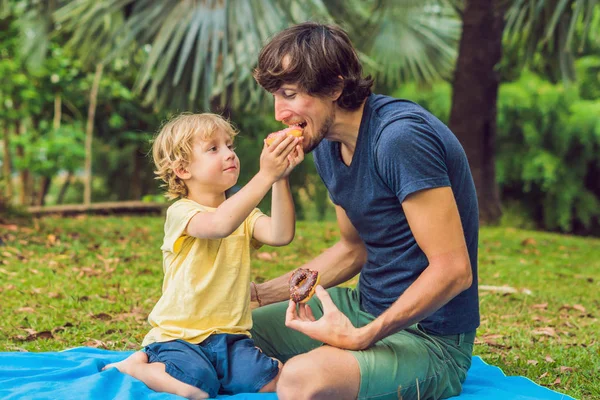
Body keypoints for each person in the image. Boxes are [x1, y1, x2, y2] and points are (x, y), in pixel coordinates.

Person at [249, 22, 480, 400]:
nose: (279, 113)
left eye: (289, 94)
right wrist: (259, 295)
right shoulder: (326, 144)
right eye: (275, 96)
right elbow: (352, 249)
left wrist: (362, 337)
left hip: (430, 338)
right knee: (228, 329)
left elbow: (453, 270)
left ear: (335, 87)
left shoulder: (400, 139)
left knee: (301, 380)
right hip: (364, 306)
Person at [103, 113, 304, 399]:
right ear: (183, 169)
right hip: (179, 338)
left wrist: (279, 179)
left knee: (276, 383)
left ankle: (215, 371)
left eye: (230, 146)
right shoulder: (182, 212)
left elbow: (281, 234)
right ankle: (138, 367)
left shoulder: (245, 217)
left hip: (231, 339)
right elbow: (219, 226)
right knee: (195, 390)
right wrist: (265, 175)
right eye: (214, 149)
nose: (229, 154)